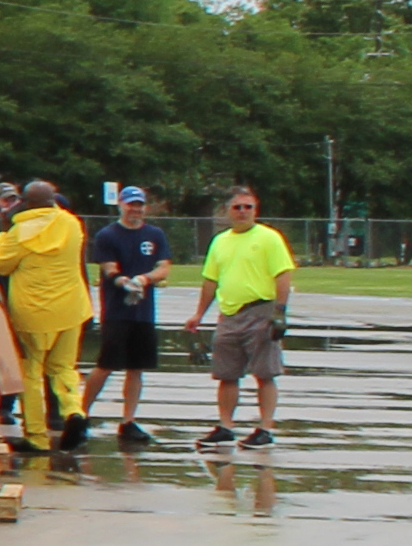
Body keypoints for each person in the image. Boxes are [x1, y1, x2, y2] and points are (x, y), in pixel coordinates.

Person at [0, 181, 94, 454]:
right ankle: (73, 412)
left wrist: (3, 230)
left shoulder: (19, 233)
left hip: (33, 314)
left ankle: (36, 436)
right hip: (71, 308)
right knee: (63, 368)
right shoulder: (72, 224)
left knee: (30, 372)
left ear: (25, 202)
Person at [197, 184, 301, 452]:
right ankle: (225, 426)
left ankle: (266, 427)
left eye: (248, 207)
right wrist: (198, 314)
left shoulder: (269, 238)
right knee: (226, 374)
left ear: (255, 210)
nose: (242, 212)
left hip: (261, 311)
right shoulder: (220, 242)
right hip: (230, 314)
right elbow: (210, 280)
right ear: (228, 211)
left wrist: (280, 311)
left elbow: (283, 274)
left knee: (265, 372)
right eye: (237, 207)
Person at [85, 185, 172, 444]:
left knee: (136, 367)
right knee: (106, 365)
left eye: (139, 204)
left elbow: (164, 266)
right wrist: (124, 282)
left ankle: (128, 420)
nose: (135, 209)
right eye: (131, 204)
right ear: (121, 205)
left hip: (143, 313)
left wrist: (145, 279)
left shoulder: (154, 234)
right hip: (117, 311)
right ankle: (81, 413)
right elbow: (108, 267)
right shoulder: (108, 235)